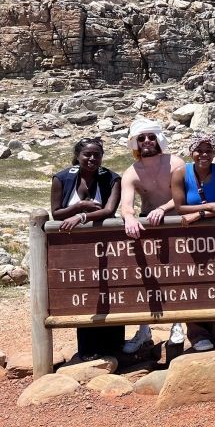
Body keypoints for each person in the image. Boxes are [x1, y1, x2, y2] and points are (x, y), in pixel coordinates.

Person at [50, 137, 124, 361]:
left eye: (97, 155)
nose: (92, 159)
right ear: (78, 156)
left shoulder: (111, 178)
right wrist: (80, 205)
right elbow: (56, 213)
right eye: (87, 155)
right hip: (77, 249)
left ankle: (114, 348)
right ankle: (87, 349)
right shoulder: (62, 178)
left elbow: (110, 210)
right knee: (84, 291)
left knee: (110, 289)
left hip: (106, 245)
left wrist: (80, 216)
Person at [120, 117, 187, 353]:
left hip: (176, 223)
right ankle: (144, 330)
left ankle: (177, 325)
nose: (147, 141)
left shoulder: (176, 163)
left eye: (151, 137)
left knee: (177, 275)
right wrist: (129, 217)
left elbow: (183, 195)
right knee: (146, 277)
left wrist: (163, 209)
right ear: (135, 143)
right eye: (141, 138)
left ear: (158, 139)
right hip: (148, 225)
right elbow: (126, 203)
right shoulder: (132, 172)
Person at [171, 133, 215, 352]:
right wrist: (211, 207)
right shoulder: (180, 173)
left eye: (208, 150)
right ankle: (197, 334)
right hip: (190, 239)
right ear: (191, 152)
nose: (203, 155)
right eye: (199, 150)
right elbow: (180, 207)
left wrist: (201, 215)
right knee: (192, 282)